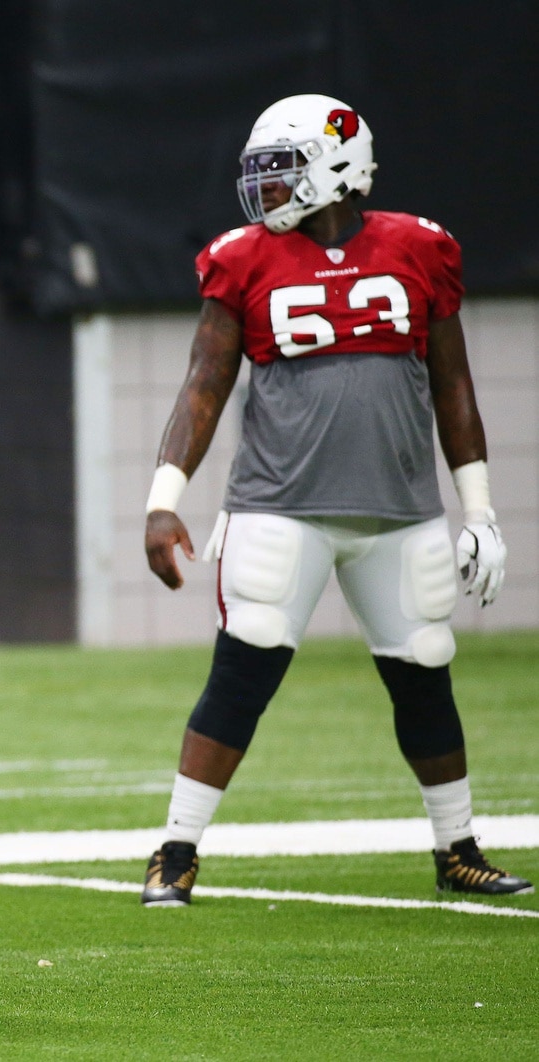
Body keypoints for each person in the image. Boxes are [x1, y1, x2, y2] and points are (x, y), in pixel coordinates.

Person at [139, 94, 531, 905]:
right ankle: (175, 851)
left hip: (401, 509)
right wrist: (162, 497)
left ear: (340, 168)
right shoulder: (242, 257)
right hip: (281, 506)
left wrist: (481, 510)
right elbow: (204, 384)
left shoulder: (420, 246)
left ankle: (458, 849)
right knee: (243, 669)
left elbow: (452, 386)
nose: (267, 191)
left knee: (425, 671)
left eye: (282, 172)